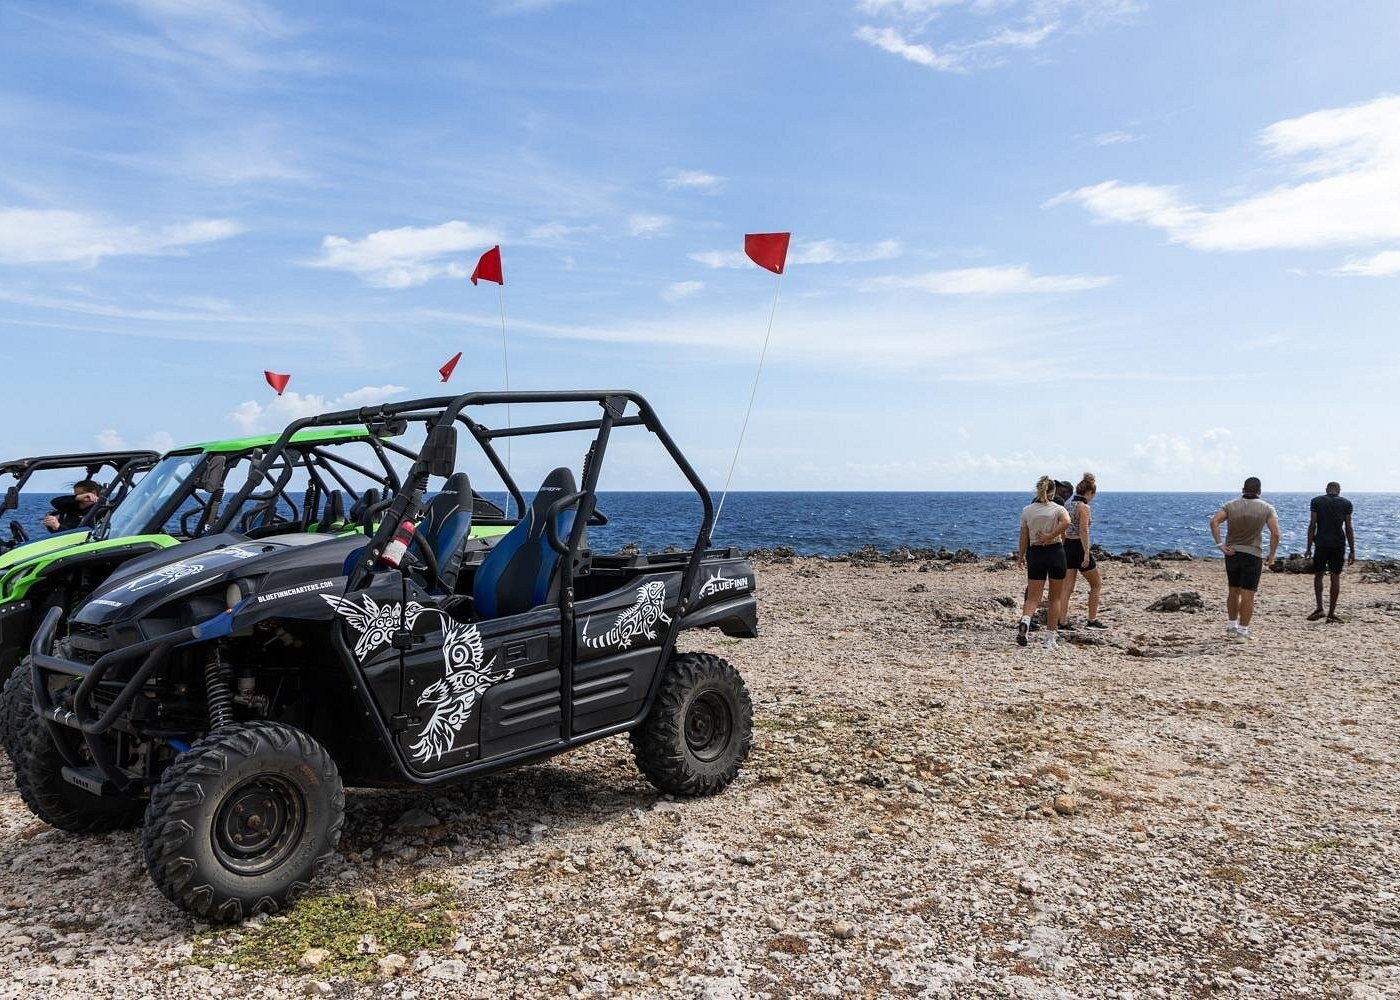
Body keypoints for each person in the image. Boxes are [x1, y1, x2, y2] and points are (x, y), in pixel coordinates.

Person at [1208, 477, 1279, 639]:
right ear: (1259, 491)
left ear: (1242, 489)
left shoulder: (1230, 505)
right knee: (1248, 594)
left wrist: (1220, 544)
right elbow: (1275, 533)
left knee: (1233, 591)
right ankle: (1242, 632)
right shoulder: (1267, 508)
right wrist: (1272, 554)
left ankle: (1231, 627)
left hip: (1232, 553)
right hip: (1253, 554)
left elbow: (1214, 522)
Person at [1016, 475, 1071, 649]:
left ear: (1037, 490)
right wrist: (1050, 536)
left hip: (1036, 553)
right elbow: (1067, 522)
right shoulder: (1058, 508)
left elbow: (1023, 536)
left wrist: (1021, 556)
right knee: (1055, 598)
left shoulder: (1027, 510)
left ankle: (1025, 620)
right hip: (1055, 553)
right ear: (1053, 492)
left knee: (1033, 597)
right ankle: (1049, 639)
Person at [1061, 472, 1107, 630]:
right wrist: (1086, 553)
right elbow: (1083, 531)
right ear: (1090, 492)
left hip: (1067, 546)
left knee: (1067, 588)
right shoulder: (1084, 507)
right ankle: (1092, 620)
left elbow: (1063, 527)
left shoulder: (1067, 505)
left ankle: (1061, 622)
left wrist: (1064, 544)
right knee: (1096, 584)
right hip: (1079, 547)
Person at [1304, 481, 1355, 623]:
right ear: (1339, 490)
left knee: (1318, 575)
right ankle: (1331, 613)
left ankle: (1319, 608)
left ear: (1327, 489)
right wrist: (1352, 550)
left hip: (1321, 543)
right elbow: (1348, 528)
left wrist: (1308, 547)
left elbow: (1312, 525)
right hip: (1338, 543)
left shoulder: (1316, 501)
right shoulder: (1346, 503)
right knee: (1335, 577)